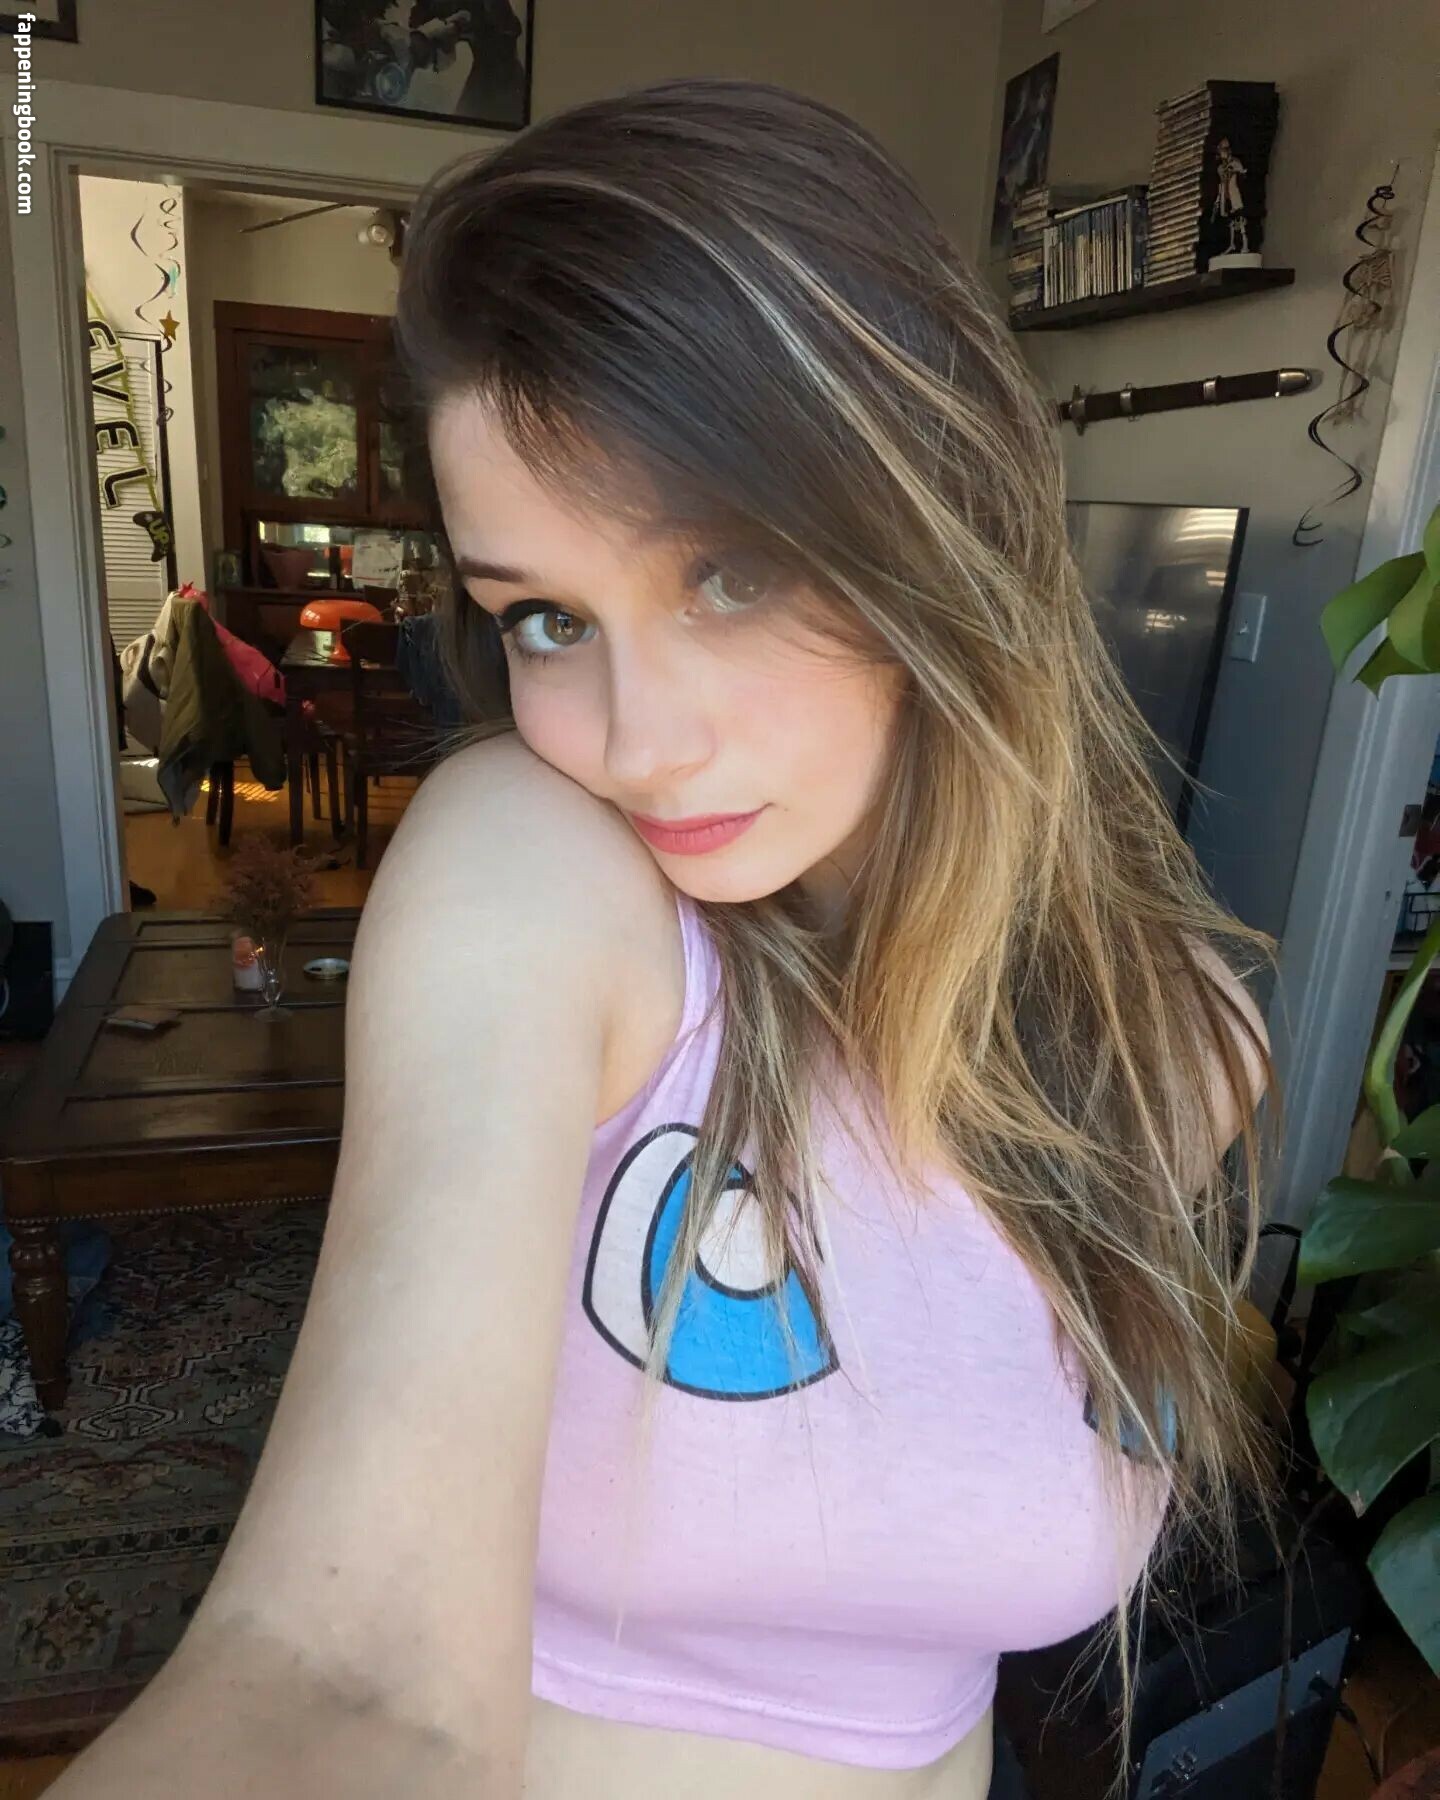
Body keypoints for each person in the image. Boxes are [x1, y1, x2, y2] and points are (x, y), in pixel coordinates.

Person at [50, 78, 1276, 1800]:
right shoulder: (543, 870)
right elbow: (344, 1668)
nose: (636, 744)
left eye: (729, 574)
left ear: (951, 507)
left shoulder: (1181, 1056)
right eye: (546, 617)